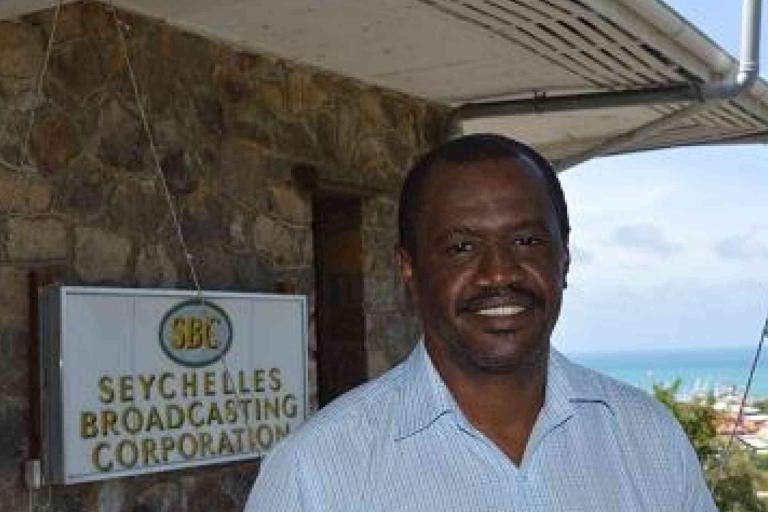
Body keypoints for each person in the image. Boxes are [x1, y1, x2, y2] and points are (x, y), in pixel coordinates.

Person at [244, 134, 717, 511]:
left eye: (527, 241)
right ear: (409, 269)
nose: (499, 273)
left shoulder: (647, 439)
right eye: (461, 247)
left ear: (565, 257)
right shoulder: (316, 472)